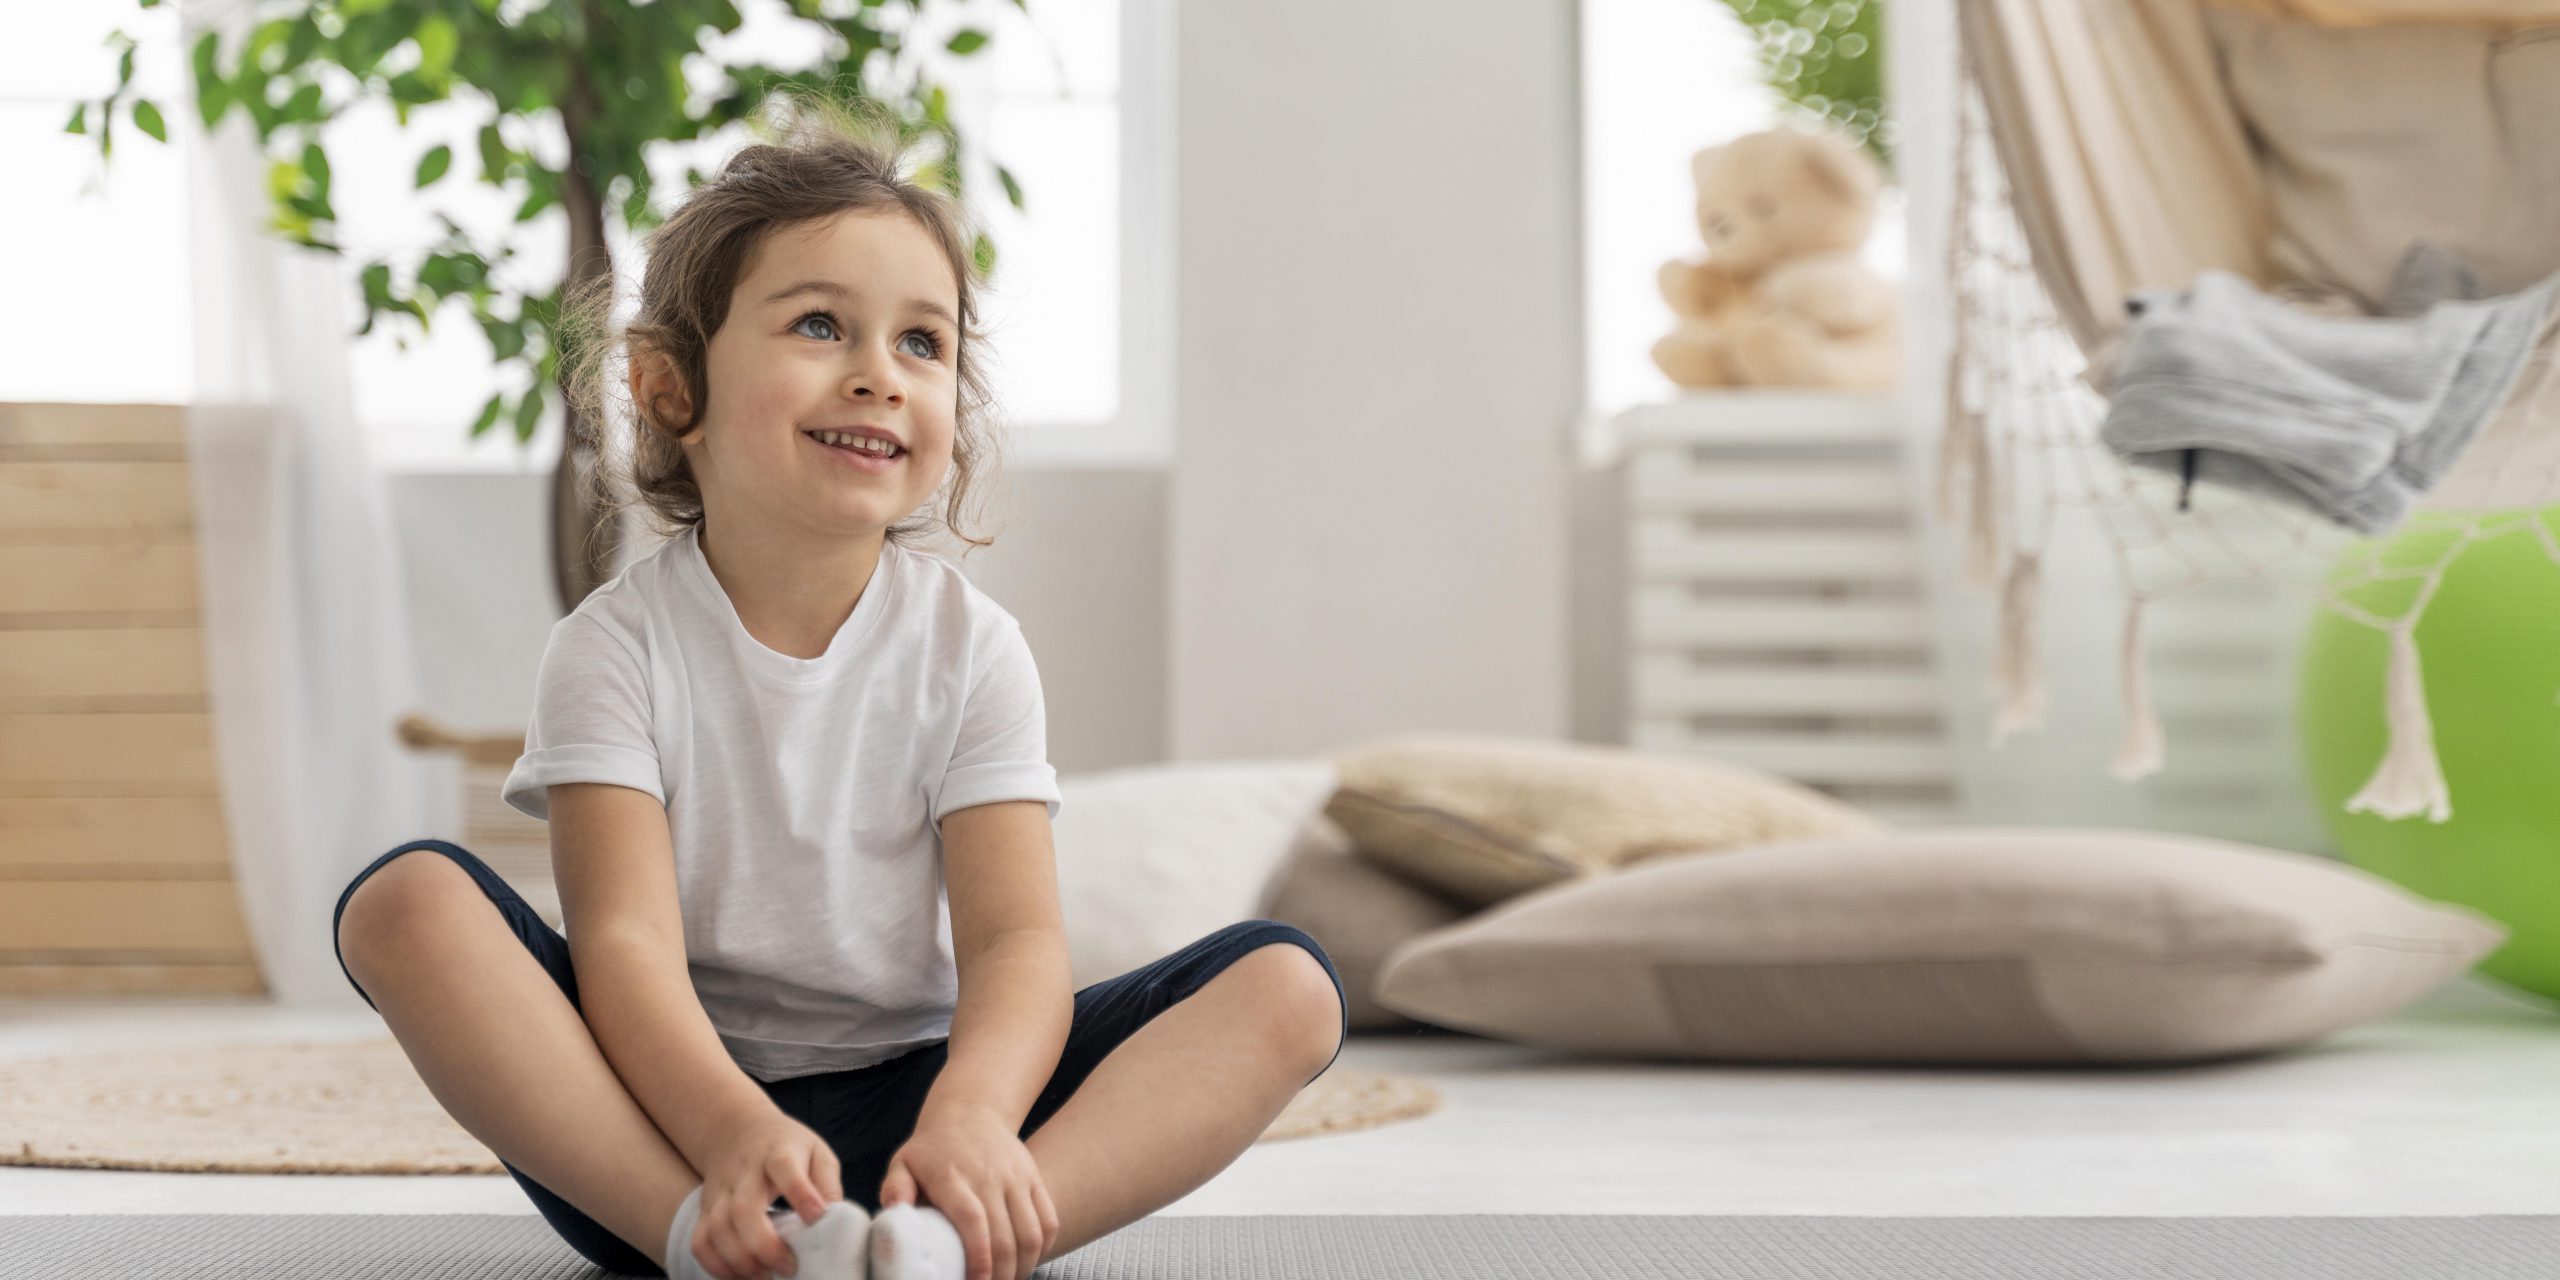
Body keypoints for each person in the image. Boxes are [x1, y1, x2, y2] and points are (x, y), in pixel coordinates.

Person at [330, 91, 1348, 1280]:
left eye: (922, 343)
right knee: (404, 903)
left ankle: (952, 1238)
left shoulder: (974, 648)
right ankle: (704, 1244)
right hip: (667, 1123)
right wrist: (728, 1135)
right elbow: (624, 949)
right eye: (821, 325)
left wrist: (972, 1114)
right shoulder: (612, 649)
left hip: (927, 1110)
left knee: (1287, 987)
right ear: (671, 388)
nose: (880, 374)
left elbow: (1018, 942)